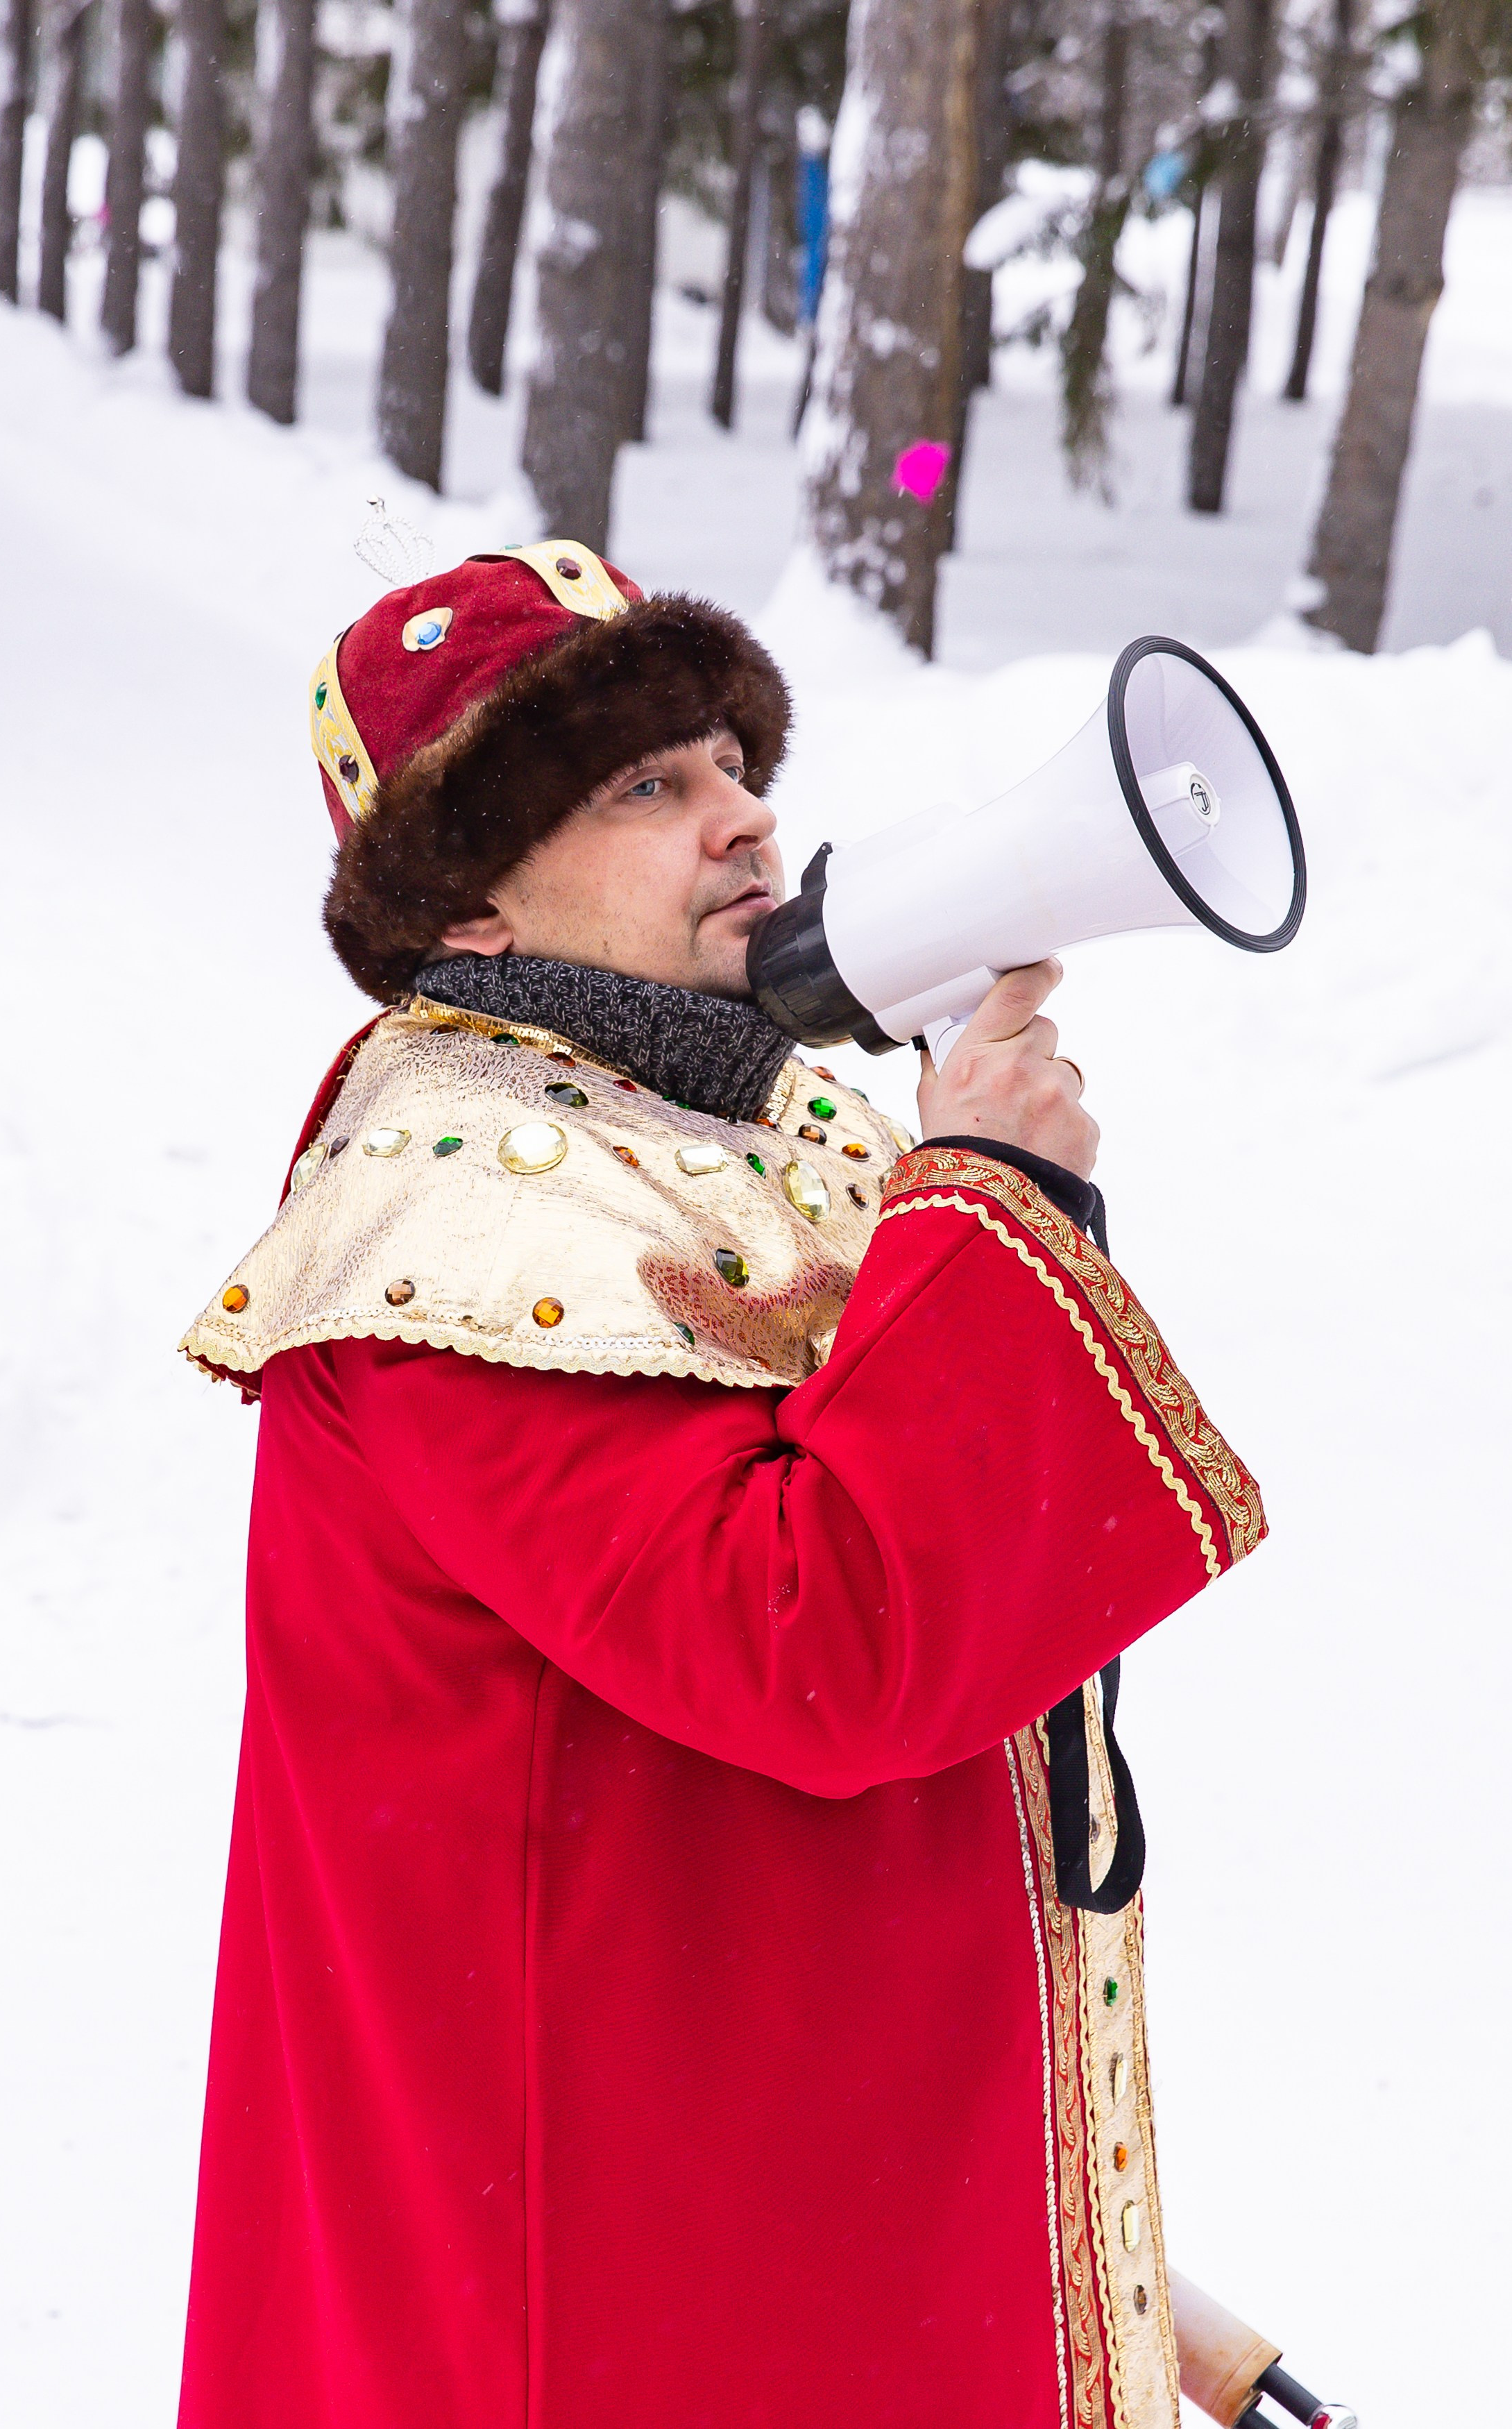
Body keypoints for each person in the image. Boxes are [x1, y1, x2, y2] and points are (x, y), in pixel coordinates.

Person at [178, 540, 1264, 2429]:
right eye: (646, 785)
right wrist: (992, 1207)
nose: (744, 819)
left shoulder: (714, 1121)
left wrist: (1001, 1209)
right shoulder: (450, 1215)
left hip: (760, 2202)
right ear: (476, 903)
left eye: (733, 761)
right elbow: (823, 1642)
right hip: (606, 2291)